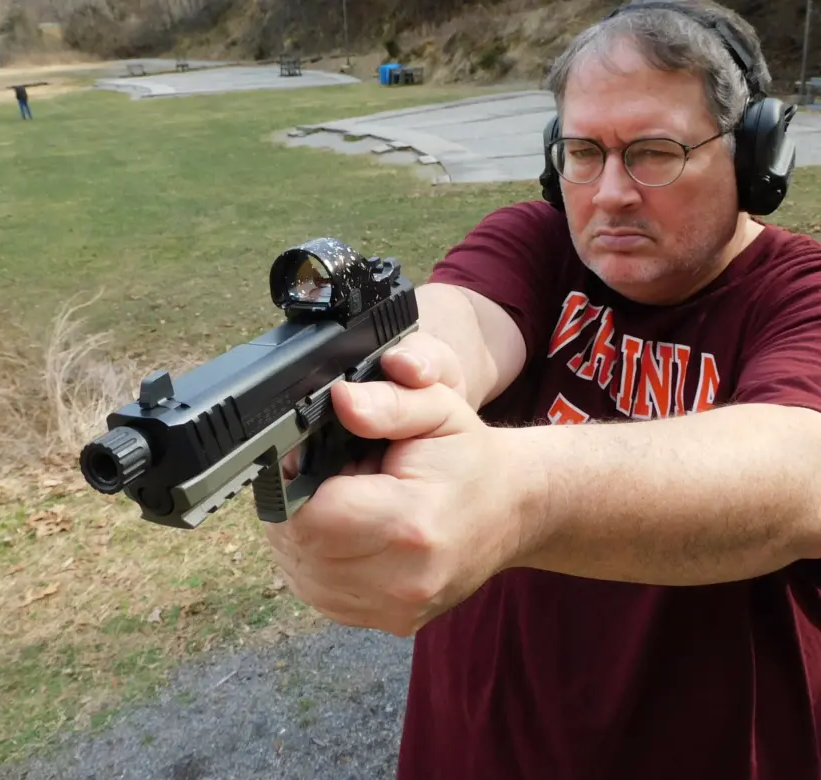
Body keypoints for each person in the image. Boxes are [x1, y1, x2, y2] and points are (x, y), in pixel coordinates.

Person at [263, 1, 821, 778]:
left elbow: (796, 468)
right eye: (583, 152)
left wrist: (516, 493)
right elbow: (456, 325)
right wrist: (382, 383)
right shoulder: (537, 242)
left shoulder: (803, 296)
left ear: (759, 157)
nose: (611, 192)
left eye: (654, 152)